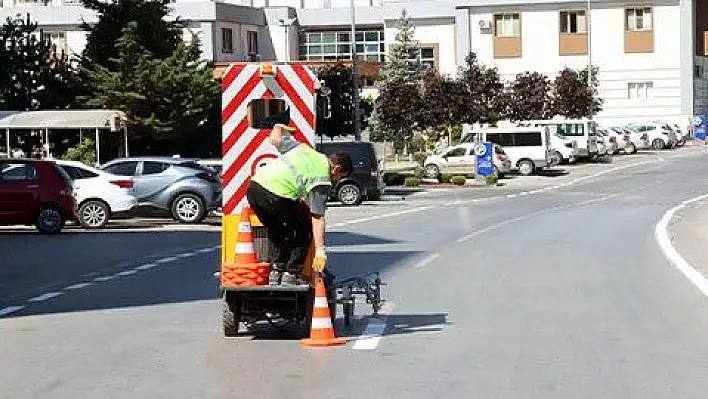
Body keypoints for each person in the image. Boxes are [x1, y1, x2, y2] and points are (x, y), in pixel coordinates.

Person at [246, 123, 353, 286]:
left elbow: (274, 138)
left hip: (254, 190)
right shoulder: (322, 177)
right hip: (277, 195)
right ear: (336, 169)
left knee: (277, 229)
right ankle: (291, 273)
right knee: (304, 226)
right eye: (340, 177)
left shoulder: (303, 149)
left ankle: (276, 272)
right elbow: (317, 217)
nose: (337, 181)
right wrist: (320, 250)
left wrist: (280, 127)